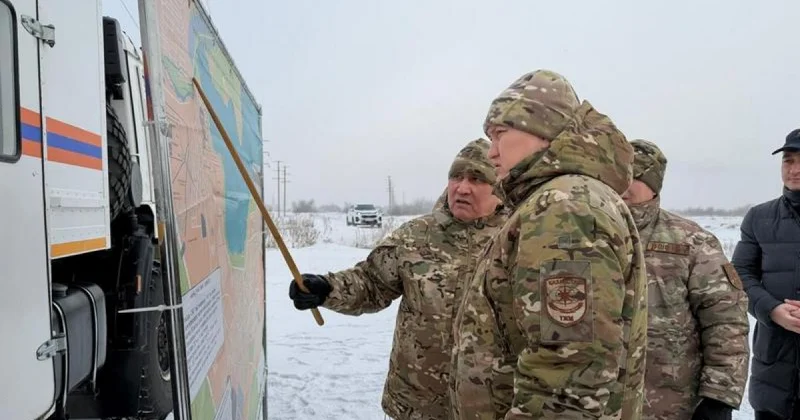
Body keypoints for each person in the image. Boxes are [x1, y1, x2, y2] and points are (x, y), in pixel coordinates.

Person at [448, 69, 648, 419]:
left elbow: (569, 370)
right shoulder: (564, 197)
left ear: (541, 129)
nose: (492, 153)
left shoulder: (563, 206)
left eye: (499, 135)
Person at [288, 138, 509, 420]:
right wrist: (327, 289)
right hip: (416, 406)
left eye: (477, 178)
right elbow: (372, 283)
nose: (462, 187)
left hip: (493, 408)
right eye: (456, 176)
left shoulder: (518, 239)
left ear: (499, 184)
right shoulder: (415, 236)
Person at [622, 139, 750, 420]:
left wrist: (719, 397)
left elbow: (726, 321)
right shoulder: (588, 235)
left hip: (669, 405)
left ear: (653, 184)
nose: (620, 184)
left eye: (632, 175)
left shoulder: (691, 241)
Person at [732, 128, 800, 420]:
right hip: (774, 369)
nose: (795, 170)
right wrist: (771, 310)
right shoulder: (759, 218)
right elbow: (739, 274)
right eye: (788, 160)